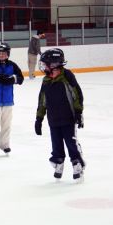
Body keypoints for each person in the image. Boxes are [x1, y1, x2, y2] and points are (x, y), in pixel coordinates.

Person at [34, 48, 86, 182]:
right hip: (53, 120)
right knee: (56, 145)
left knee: (71, 143)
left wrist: (79, 113)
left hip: (68, 119)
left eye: (45, 64)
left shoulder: (67, 76)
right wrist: (39, 118)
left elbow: (77, 95)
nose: (43, 66)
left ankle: (77, 164)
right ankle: (58, 163)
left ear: (54, 64)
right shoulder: (46, 80)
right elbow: (42, 100)